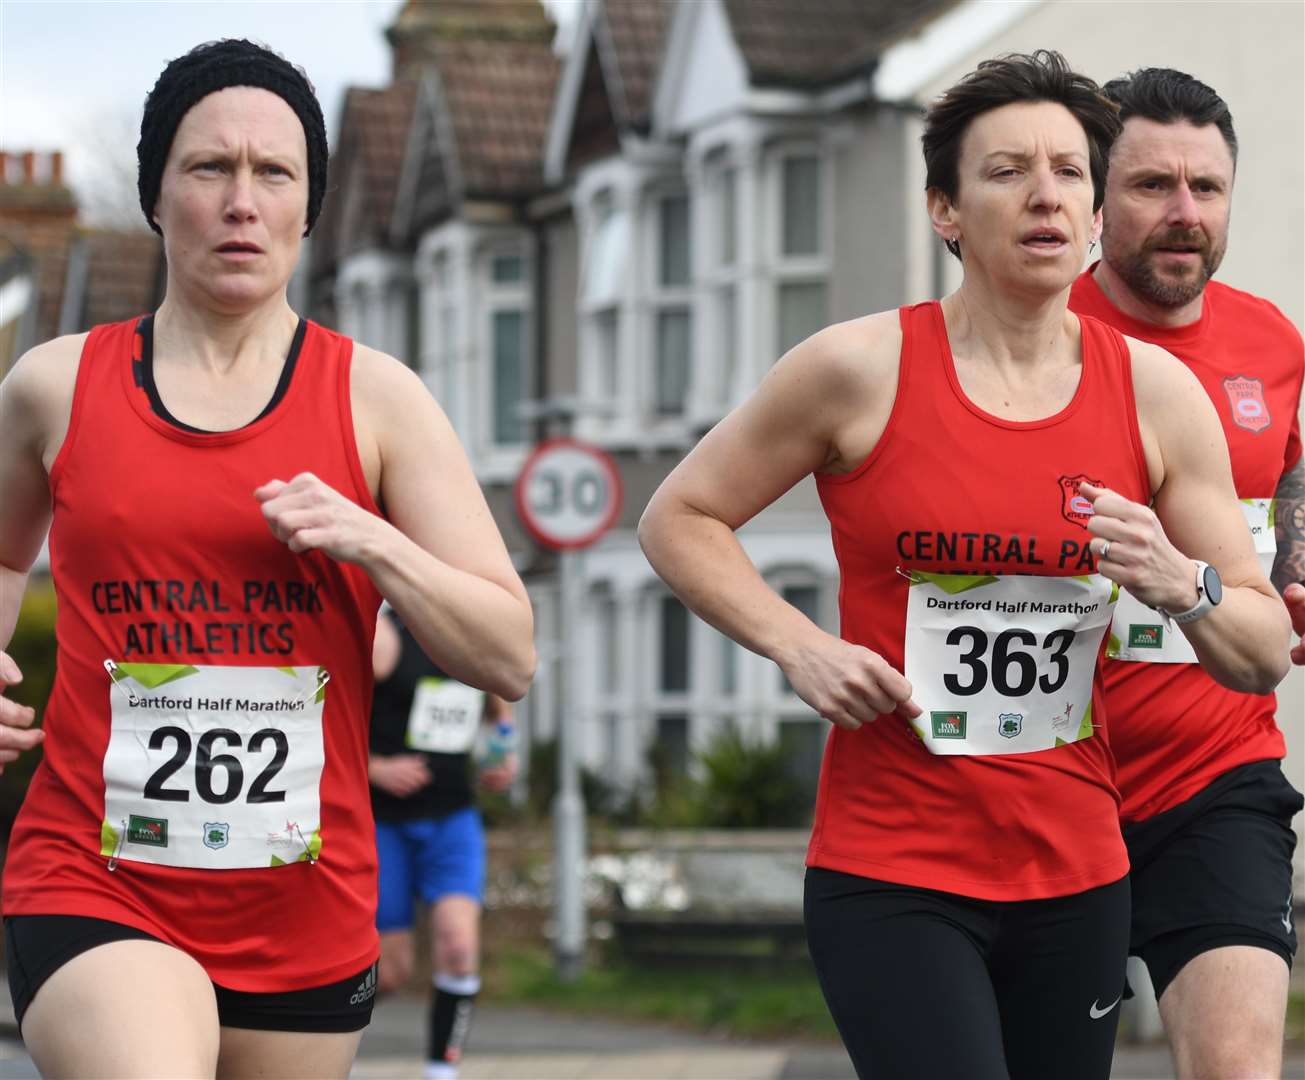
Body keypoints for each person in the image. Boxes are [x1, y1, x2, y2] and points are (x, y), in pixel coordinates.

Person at [638, 50, 1289, 1080]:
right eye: (1007, 171)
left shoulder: (1160, 395)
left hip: (1077, 866)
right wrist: (798, 646)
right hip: (893, 865)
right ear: (945, 210)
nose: (1046, 194)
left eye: (1070, 172)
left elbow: (1259, 655)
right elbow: (680, 518)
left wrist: (1184, 580)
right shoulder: (855, 369)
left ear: (1089, 209)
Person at [0, 38, 534, 1080]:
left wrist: (373, 539)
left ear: (307, 206)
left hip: (304, 910)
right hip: (95, 878)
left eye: (273, 173)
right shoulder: (54, 387)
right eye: (209, 169)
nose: (241, 201)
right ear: (158, 195)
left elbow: (507, 653)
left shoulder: (379, 401)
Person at [1067, 67, 1304, 1080]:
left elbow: (1287, 477)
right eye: (1152, 186)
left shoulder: (1271, 340)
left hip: (1215, 769)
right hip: (1048, 785)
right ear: (1093, 199)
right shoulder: (1033, 339)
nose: (1182, 214)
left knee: (1239, 1068)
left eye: (1206, 189)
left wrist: (1293, 561)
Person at [368, 608, 517, 1080]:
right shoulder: (387, 636)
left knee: (458, 947)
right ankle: (322, 1047)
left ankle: (440, 1072)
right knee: (388, 971)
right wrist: (375, 768)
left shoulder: (476, 635)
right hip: (384, 822)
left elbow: (500, 703)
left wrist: (502, 752)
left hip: (453, 818)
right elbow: (329, 713)